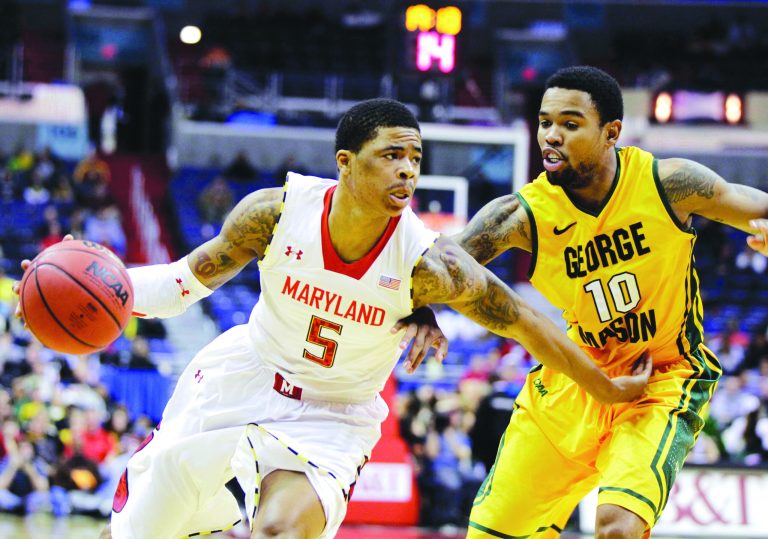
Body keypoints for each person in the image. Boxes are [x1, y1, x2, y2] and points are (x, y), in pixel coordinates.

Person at [16, 98, 648, 539]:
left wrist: (606, 383)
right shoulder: (273, 213)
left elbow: (524, 322)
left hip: (332, 416)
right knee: (132, 533)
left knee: (279, 530)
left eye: (415, 157)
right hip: (243, 377)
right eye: (390, 155)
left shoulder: (430, 266)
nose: (407, 169)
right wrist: (114, 285)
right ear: (345, 162)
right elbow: (184, 283)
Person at [446, 66, 768, 538]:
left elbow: (752, 204)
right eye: (544, 122)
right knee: (493, 533)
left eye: (570, 124)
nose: (551, 136)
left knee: (617, 525)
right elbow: (439, 267)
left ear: (611, 132)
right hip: (576, 375)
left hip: (662, 376)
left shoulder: (667, 183)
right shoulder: (520, 213)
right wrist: (418, 311)